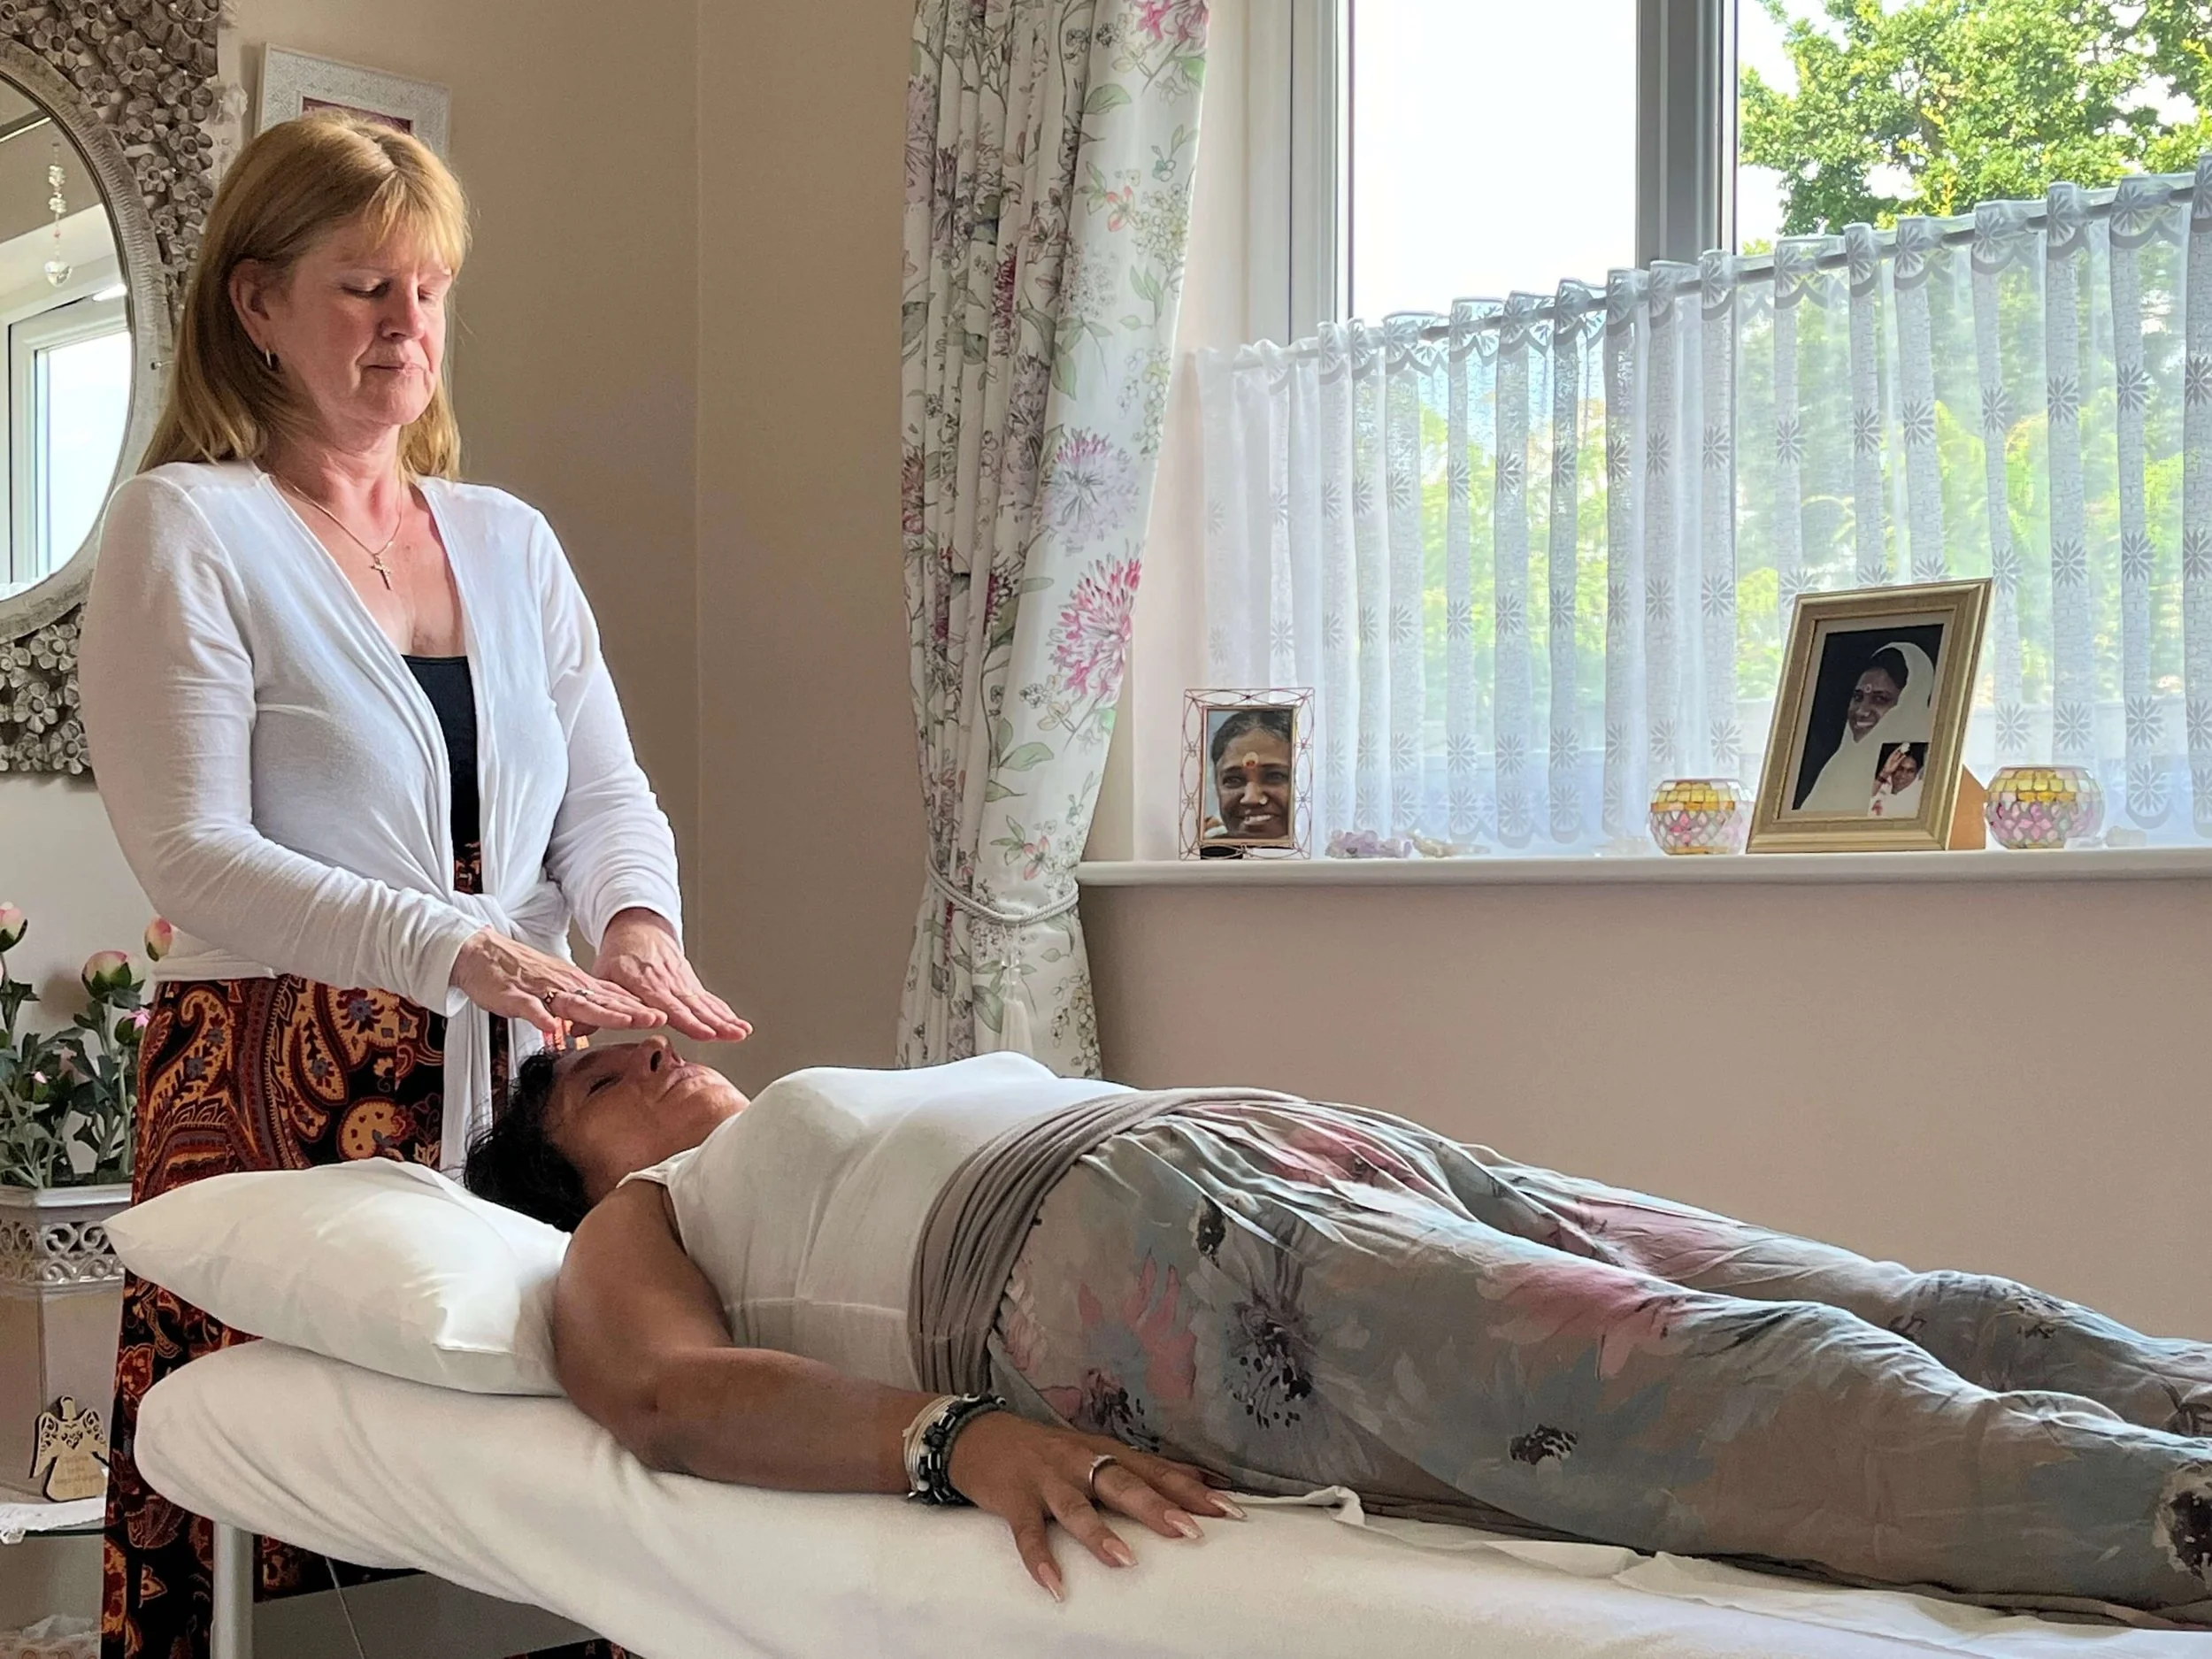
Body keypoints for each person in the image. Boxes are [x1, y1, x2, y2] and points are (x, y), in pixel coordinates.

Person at [76, 114, 749, 1659]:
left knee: (510, 1491)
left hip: (506, 1074)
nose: (408, 324)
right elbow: (189, 855)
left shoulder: (509, 544)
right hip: (275, 1075)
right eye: (365, 285)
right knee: (264, 1503)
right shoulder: (187, 526)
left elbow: (605, 799)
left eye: (430, 288)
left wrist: (634, 927)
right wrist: (454, 945)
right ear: (256, 305)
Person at [465, 1042, 2212, 1622]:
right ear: (568, 1176)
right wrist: (951, 1438)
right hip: (1127, 1258)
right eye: (592, 1085)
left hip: (1266, 1135)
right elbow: (664, 1396)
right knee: (1695, 1374)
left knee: (1890, 1296)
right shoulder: (640, 1227)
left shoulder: (840, 1086)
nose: (635, 1055)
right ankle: (2158, 1515)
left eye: (630, 1037)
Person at [1798, 641, 1936, 815]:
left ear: (1910, 702)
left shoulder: (1931, 768)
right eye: (1858, 697)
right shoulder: (1837, 768)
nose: (1862, 711)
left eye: (1880, 699)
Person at [1204, 707, 1294, 841]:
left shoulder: (1325, 857)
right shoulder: (1202, 857)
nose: (1251, 798)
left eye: (1275, 776)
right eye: (1233, 780)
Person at [1870, 741, 1926, 818]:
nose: (1903, 775)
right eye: (1900, 769)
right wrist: (1885, 773)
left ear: (1916, 773)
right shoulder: (1881, 785)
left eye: (1910, 771)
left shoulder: (1919, 797)